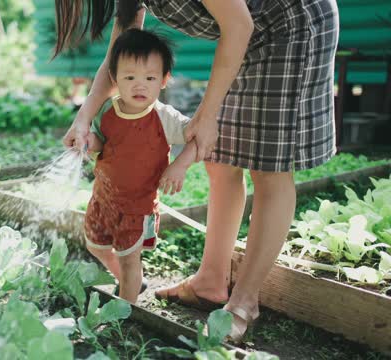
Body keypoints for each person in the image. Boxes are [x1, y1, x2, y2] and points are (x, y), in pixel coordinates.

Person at [54, 0, 339, 341]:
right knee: (219, 160)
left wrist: (206, 114)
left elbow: (238, 24)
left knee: (270, 168)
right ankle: (210, 281)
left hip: (289, 23)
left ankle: (244, 303)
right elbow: (120, 53)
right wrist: (85, 116)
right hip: (246, 31)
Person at [83, 28, 196, 304]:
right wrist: (88, 143)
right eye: (130, 77)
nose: (140, 85)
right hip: (103, 198)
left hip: (137, 206)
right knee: (95, 245)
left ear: (164, 80)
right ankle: (129, 281)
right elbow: (101, 141)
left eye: (150, 78)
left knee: (130, 259)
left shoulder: (163, 117)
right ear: (114, 79)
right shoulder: (108, 110)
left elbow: (198, 139)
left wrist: (179, 166)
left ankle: (127, 311)